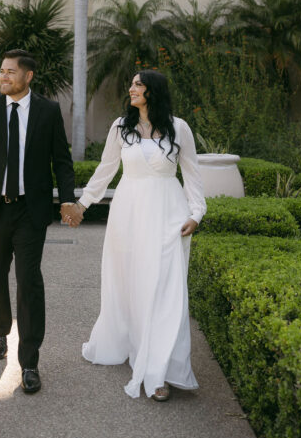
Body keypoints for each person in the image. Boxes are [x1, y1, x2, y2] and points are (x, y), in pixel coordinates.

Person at [63, 69, 206, 401]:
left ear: (153, 90)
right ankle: (136, 347)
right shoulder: (120, 127)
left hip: (169, 216)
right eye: (131, 84)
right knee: (133, 285)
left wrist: (197, 213)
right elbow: (106, 169)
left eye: (138, 84)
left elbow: (193, 176)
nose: (131, 89)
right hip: (128, 216)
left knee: (165, 291)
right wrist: (82, 205)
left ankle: (160, 372)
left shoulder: (179, 127)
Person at [0, 49, 77, 394]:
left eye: (10, 72)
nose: (3, 77)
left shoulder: (48, 111)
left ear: (28, 76)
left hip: (30, 210)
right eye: (2, 72)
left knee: (29, 280)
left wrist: (67, 199)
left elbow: (61, 161)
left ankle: (30, 362)